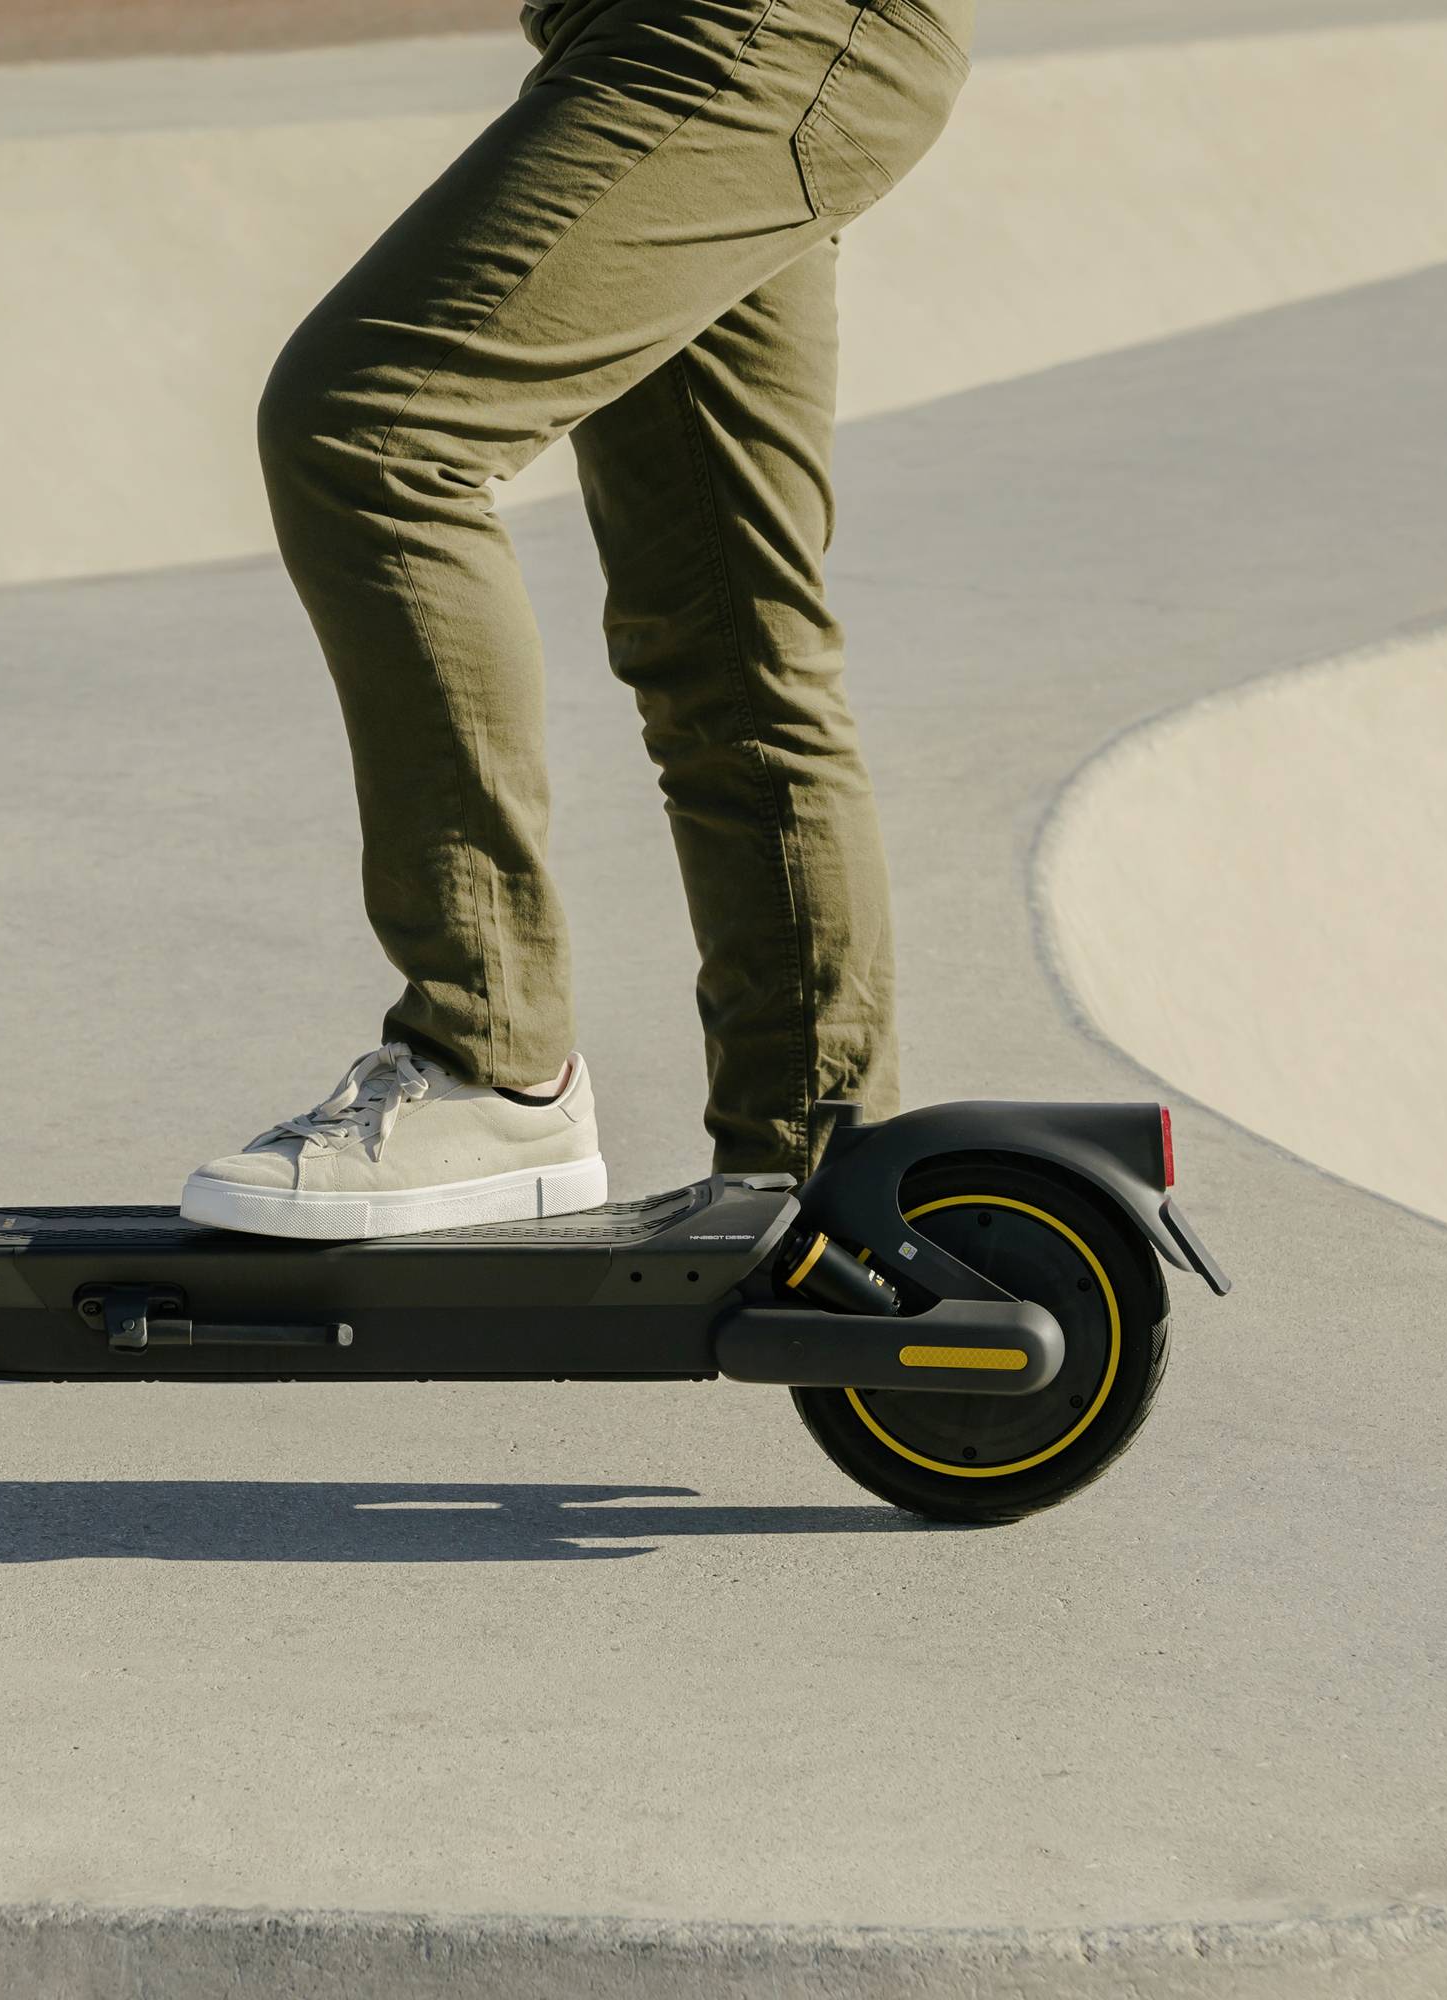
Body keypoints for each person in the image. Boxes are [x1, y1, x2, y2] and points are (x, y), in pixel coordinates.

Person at [179, 0, 970, 1241]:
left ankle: (491, 1059)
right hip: (711, 33)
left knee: (372, 429)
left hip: (743, 29)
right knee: (729, 637)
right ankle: (820, 1185)